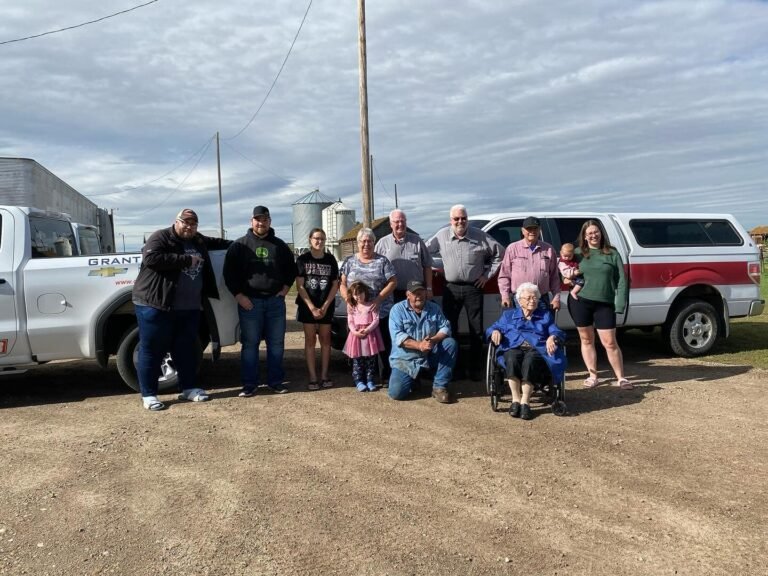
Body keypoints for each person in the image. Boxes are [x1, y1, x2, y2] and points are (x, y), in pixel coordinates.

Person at [132, 208, 231, 411]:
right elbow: (151, 259)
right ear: (176, 222)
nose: (189, 227)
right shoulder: (161, 237)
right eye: (185, 222)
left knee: (186, 350)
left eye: (193, 224)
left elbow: (219, 243)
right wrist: (187, 260)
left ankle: (189, 388)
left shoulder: (198, 240)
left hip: (190, 307)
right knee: (152, 350)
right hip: (156, 305)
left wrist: (246, 242)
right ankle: (149, 395)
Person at [223, 205, 297, 397]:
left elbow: (291, 270)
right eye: (257, 219)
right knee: (250, 345)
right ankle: (249, 385)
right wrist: (239, 296)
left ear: (269, 221)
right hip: (250, 304)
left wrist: (285, 289)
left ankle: (276, 382)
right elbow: (228, 274)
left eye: (264, 219)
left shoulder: (280, 246)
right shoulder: (240, 246)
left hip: (275, 303)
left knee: (276, 344)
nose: (261, 223)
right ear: (251, 221)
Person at [425, 204, 503, 380]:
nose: (460, 221)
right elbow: (424, 251)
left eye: (463, 218)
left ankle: (475, 369)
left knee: (476, 330)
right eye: (456, 219)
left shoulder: (480, 236)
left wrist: (486, 275)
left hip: (473, 288)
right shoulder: (442, 235)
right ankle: (455, 368)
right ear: (450, 220)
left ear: (467, 219)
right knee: (449, 330)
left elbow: (501, 254)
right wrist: (429, 267)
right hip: (450, 288)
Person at [487, 282, 567, 420]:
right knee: (511, 358)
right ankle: (515, 400)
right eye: (529, 298)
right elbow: (492, 328)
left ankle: (525, 402)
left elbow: (556, 330)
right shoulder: (509, 315)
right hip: (513, 346)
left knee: (530, 361)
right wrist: (494, 331)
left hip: (537, 348)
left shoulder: (545, 315)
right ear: (519, 301)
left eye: (535, 297)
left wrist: (552, 337)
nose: (533, 300)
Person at [568, 220, 631, 390]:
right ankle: (593, 375)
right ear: (584, 236)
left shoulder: (612, 253)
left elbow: (621, 281)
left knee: (610, 342)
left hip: (605, 303)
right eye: (589, 233)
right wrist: (568, 277)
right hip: (580, 301)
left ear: (601, 233)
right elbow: (564, 273)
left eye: (596, 232)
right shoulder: (577, 253)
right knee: (586, 339)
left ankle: (621, 377)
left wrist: (619, 304)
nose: (593, 235)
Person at [339, 228, 397, 380]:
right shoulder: (349, 261)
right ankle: (360, 377)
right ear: (358, 243)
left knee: (383, 344)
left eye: (369, 241)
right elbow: (342, 283)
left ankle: (386, 375)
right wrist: (348, 299)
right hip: (357, 314)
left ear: (374, 243)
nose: (366, 244)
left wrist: (379, 299)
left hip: (380, 311)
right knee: (358, 344)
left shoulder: (382, 261)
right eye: (363, 241)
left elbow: (393, 282)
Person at [388, 280, 457, 403]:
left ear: (426, 293)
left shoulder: (434, 308)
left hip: (429, 354)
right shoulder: (397, 310)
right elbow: (398, 336)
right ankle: (414, 378)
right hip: (406, 358)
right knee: (396, 393)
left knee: (450, 343)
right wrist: (419, 345)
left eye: (421, 292)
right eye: (415, 293)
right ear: (408, 295)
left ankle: (439, 387)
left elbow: (445, 327)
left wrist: (433, 340)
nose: (419, 296)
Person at [295, 228, 339, 390]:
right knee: (310, 341)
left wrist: (325, 306)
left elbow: (335, 285)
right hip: (308, 306)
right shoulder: (302, 260)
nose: (319, 241)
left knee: (326, 340)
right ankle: (313, 376)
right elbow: (300, 286)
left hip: (326, 306)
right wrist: (312, 307)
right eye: (316, 238)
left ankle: (325, 375)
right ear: (310, 239)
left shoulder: (330, 259)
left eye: (322, 239)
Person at [497, 216, 561, 310]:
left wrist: (556, 298)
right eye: (529, 229)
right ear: (523, 231)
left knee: (542, 325)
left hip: (541, 299)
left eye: (535, 228)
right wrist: (505, 296)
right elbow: (504, 276)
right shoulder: (512, 249)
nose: (532, 231)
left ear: (539, 230)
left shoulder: (549, 249)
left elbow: (554, 277)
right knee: (520, 325)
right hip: (519, 300)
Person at [374, 209, 433, 303]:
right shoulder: (382, 243)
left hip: (416, 293)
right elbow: (375, 269)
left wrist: (429, 289)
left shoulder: (417, 241)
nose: (400, 224)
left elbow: (427, 266)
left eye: (403, 221)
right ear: (391, 224)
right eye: (397, 221)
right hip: (391, 295)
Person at [344, 281, 385, 392]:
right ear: (352, 295)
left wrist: (367, 330)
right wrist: (355, 332)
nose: (358, 296)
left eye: (360, 293)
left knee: (371, 361)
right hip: (356, 337)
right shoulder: (352, 308)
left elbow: (376, 320)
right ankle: (358, 381)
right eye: (355, 294)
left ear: (365, 293)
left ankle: (370, 380)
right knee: (357, 361)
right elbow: (350, 322)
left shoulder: (372, 305)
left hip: (370, 337)